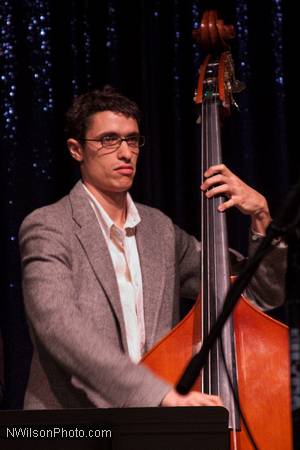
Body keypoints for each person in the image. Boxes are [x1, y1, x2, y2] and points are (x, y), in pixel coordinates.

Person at [19, 86, 286, 409]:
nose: (125, 152)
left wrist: (261, 216)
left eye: (132, 140)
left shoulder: (159, 230)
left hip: (152, 426)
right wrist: (155, 393)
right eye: (108, 140)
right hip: (74, 425)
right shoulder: (49, 226)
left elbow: (256, 294)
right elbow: (59, 327)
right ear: (76, 150)